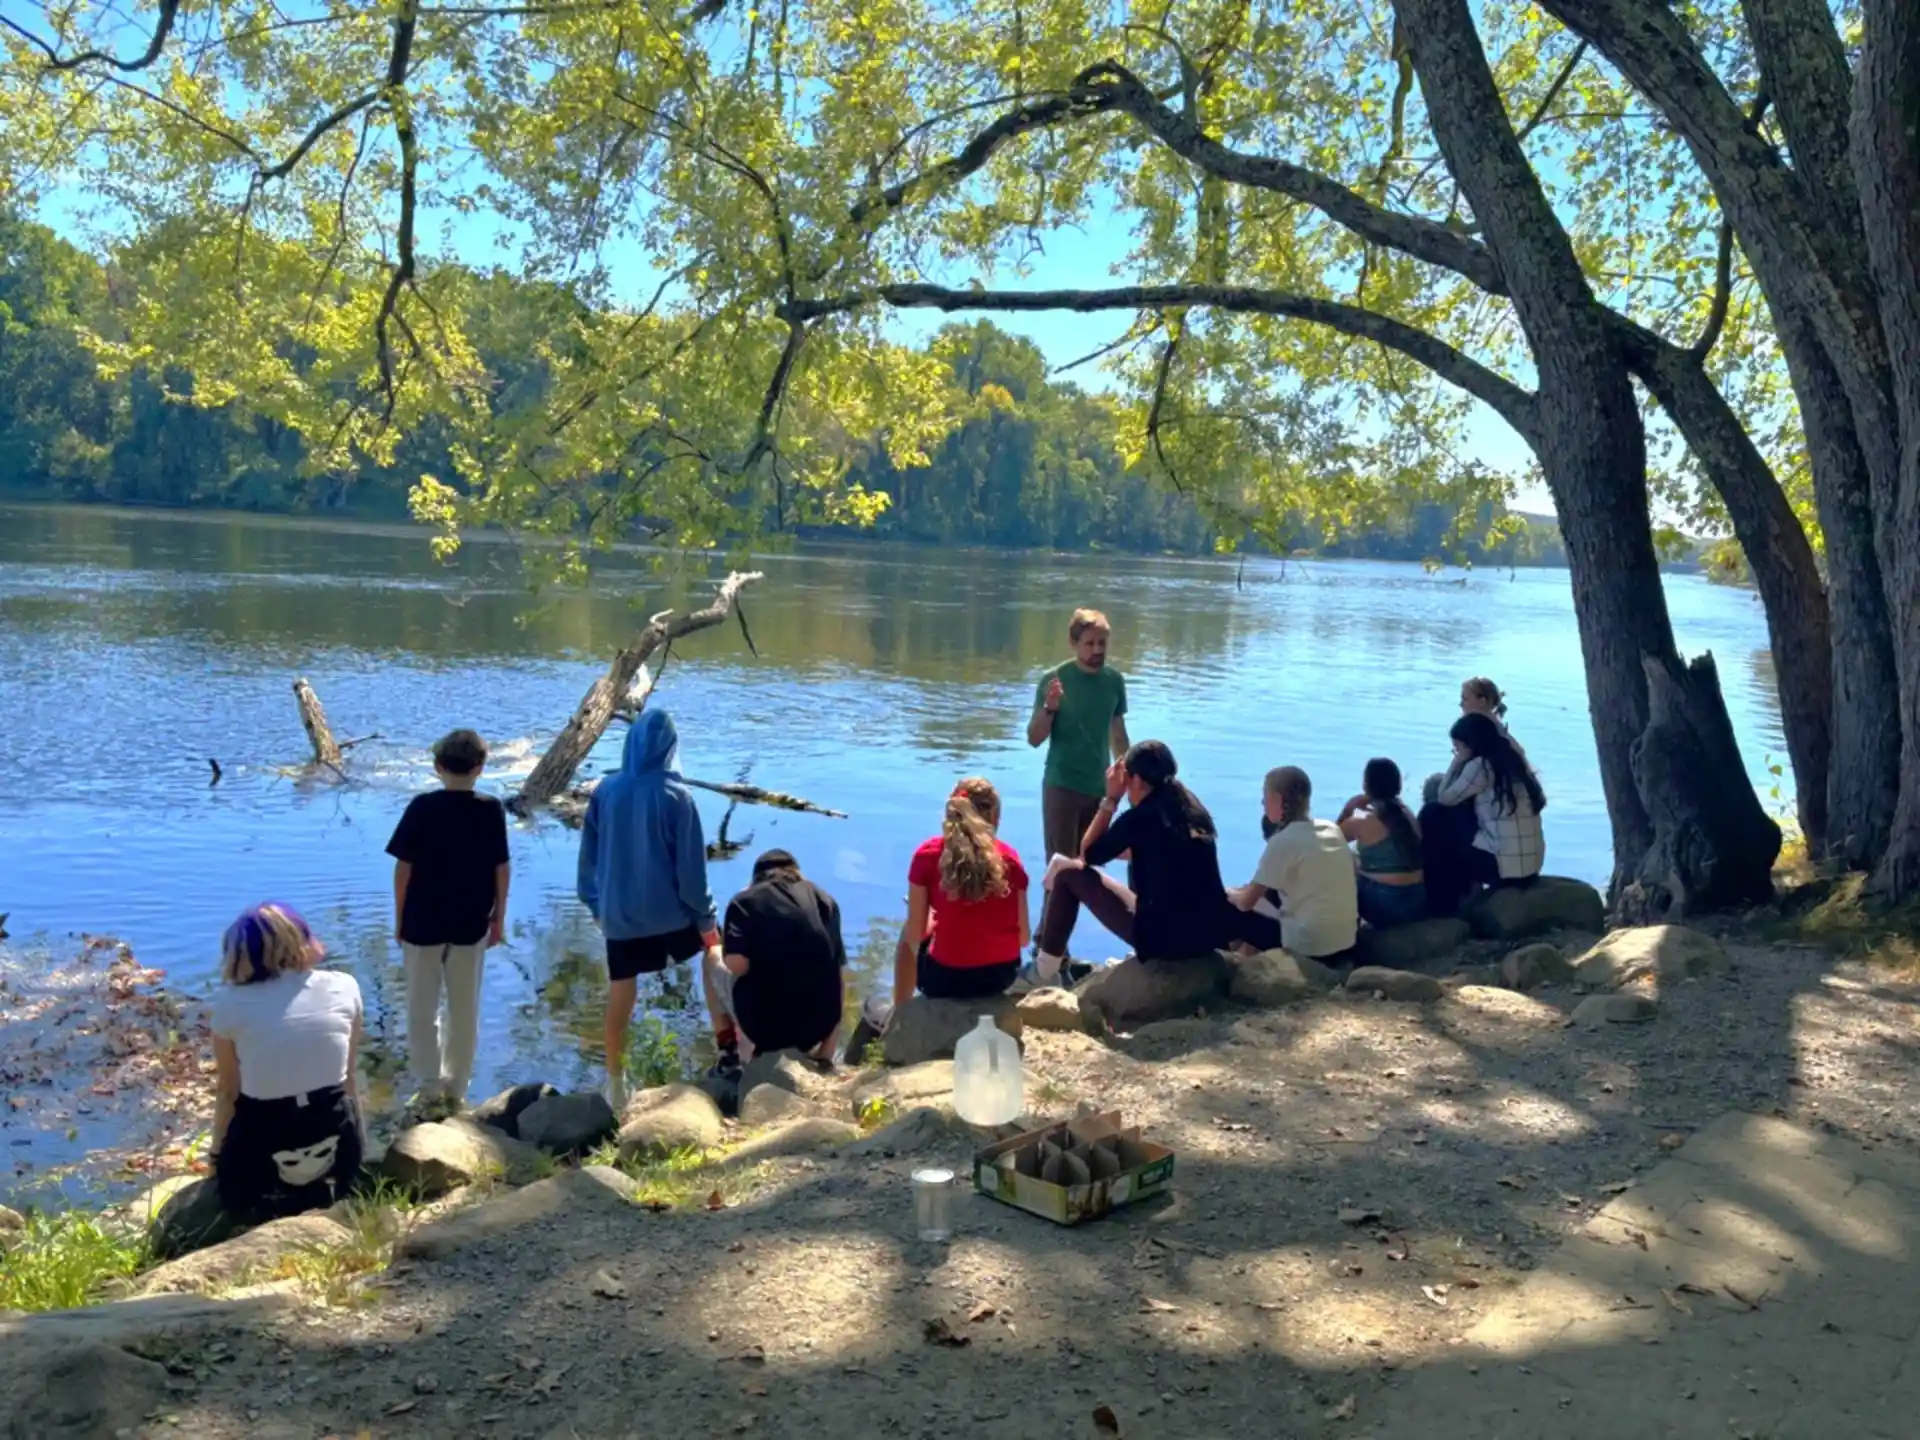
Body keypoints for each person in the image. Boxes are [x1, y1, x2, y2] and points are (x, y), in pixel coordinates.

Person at [1028, 740, 1275, 981]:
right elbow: (1158, 853)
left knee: (1070, 874)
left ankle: (1043, 973)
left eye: (1127, 781)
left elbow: (1089, 854)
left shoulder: (1141, 817)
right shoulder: (1192, 809)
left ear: (1136, 780)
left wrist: (1110, 799)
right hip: (1208, 934)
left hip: (1164, 941)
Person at [577, 708, 721, 1107]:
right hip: (672, 917)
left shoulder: (606, 790)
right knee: (715, 955)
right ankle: (729, 1048)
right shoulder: (679, 796)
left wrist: (596, 905)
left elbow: (588, 860)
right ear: (671, 747)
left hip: (620, 918)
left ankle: (615, 1081)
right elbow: (692, 876)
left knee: (622, 989)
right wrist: (708, 923)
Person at [210, 904, 364, 1219]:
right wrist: (358, 1144)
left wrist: (215, 1155)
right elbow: (348, 1076)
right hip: (331, 1127)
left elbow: (229, 1091)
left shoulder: (229, 1004)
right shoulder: (344, 986)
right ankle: (339, 1184)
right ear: (300, 941)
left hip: (267, 1134)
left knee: (231, 1193)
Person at [386, 727, 510, 1116]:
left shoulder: (422, 807)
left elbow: (403, 869)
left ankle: (427, 1088)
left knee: (421, 1009)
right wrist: (499, 918)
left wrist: (399, 917)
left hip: (421, 922)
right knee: (464, 1009)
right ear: (481, 767)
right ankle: (457, 1090)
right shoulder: (490, 809)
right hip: (470, 922)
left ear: (438, 766)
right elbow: (501, 868)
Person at [1028, 609, 1129, 942]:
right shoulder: (1054, 680)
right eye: (1089, 643)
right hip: (1062, 784)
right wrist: (1050, 707)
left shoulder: (1114, 681)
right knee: (1059, 866)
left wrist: (1128, 773)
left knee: (1086, 867)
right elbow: (1034, 738)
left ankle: (1056, 947)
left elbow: (1117, 731)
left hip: (1098, 789)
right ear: (1074, 644)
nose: (1097, 650)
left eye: (1102, 643)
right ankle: (1048, 949)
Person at [894, 778, 1031, 1008]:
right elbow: (1024, 939)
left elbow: (915, 937)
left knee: (910, 925)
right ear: (996, 819)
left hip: (944, 980)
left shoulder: (927, 854)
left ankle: (900, 1011)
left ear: (951, 815)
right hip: (1000, 978)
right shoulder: (1011, 859)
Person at [705, 850, 846, 1064]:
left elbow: (735, 965)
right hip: (817, 1029)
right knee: (830, 970)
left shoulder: (744, 901)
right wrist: (828, 1048)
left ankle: (729, 1054)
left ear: (755, 879)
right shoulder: (825, 900)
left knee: (712, 956)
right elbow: (837, 975)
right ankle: (825, 1052)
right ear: (798, 874)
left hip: (766, 1031)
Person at [1423, 711, 1547, 914]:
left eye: (1459, 748)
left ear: (1471, 744)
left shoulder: (1480, 766)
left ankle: (1443, 902)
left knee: (1434, 815)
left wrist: (1457, 762)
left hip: (1503, 870)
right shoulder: (1513, 760)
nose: (1457, 752)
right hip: (1531, 866)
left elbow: (1444, 796)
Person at [1232, 767, 1358, 959]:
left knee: (1229, 907)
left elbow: (1246, 903)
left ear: (1277, 799)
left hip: (1310, 946)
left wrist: (1230, 894)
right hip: (1346, 941)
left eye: (1264, 797)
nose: (1262, 803)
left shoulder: (1283, 841)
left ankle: (1231, 966)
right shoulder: (1331, 828)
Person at [1337, 758, 1428, 929]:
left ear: (1366, 785)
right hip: (1417, 899)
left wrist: (1348, 809)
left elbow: (1327, 842)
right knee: (1359, 860)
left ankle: (1347, 930)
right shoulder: (1406, 814)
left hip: (1386, 904)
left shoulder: (1362, 820)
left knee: (1342, 859)